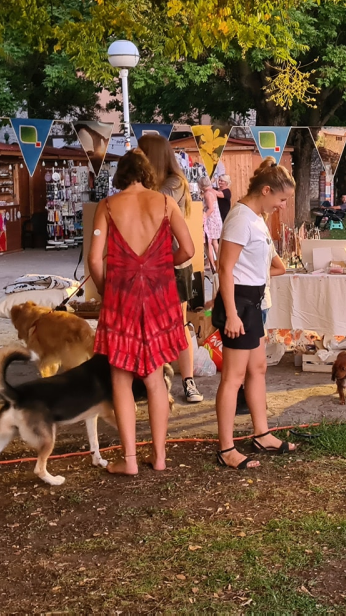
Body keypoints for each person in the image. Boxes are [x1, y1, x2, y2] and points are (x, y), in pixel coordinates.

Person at [88, 150, 193, 474]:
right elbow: (188, 250)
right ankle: (159, 457)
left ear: (120, 175)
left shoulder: (108, 206)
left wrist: (106, 290)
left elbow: (94, 259)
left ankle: (130, 460)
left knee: (120, 379)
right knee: (155, 379)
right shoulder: (166, 203)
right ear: (148, 174)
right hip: (159, 298)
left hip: (122, 298)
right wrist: (161, 266)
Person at [213, 158, 296, 469]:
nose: (282, 206)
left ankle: (262, 434)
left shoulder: (257, 217)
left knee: (258, 368)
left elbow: (262, 265)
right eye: (282, 199)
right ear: (266, 190)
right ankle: (226, 448)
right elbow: (225, 268)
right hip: (239, 304)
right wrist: (232, 314)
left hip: (254, 302)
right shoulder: (240, 219)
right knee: (233, 378)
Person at [139, 134, 204, 404]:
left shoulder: (174, 183)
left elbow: (154, 204)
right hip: (149, 264)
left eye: (140, 154)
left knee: (178, 324)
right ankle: (157, 381)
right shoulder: (150, 185)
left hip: (174, 263)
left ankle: (188, 381)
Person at [199, 173, 222, 271]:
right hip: (216, 219)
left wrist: (203, 216)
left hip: (211, 221)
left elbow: (210, 208)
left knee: (209, 244)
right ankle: (219, 263)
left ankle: (211, 265)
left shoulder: (207, 194)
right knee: (215, 243)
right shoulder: (213, 192)